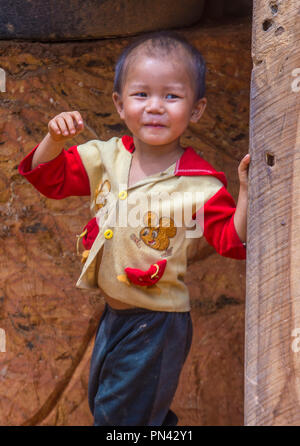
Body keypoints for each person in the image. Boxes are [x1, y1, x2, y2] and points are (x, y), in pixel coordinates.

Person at [18, 30, 250, 426]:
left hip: (158, 323)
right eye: (141, 94)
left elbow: (232, 241)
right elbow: (49, 178)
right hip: (115, 314)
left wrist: (246, 193)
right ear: (119, 104)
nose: (155, 107)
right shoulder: (105, 157)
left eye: (171, 96)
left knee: (121, 418)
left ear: (196, 110)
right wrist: (53, 138)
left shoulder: (201, 184)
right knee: (116, 409)